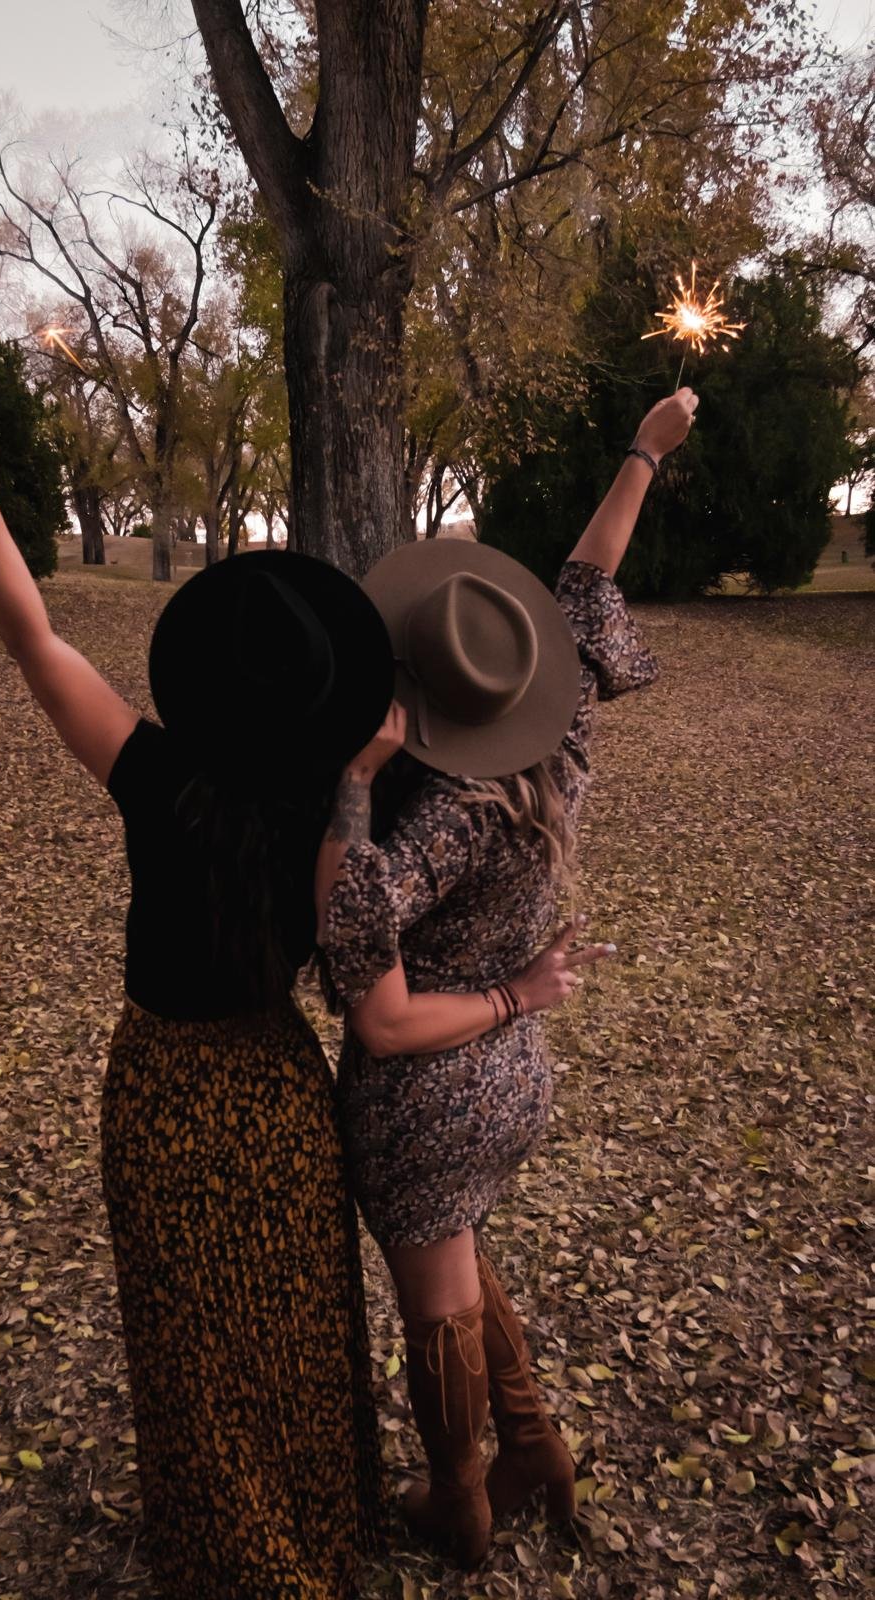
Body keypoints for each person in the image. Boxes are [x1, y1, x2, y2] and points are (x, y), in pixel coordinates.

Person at [0, 376, 396, 1600]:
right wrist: (360, 772)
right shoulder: (327, 806)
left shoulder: (154, 775)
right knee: (286, 1325)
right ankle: (312, 1528)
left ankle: (234, 1548)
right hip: (278, 1097)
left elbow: (34, 638)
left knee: (193, 1339)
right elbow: (350, 952)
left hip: (163, 1094)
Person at [314, 389, 699, 1569]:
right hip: (511, 1083)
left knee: (435, 1297)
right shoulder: (563, 741)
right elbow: (585, 579)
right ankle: (532, 1441)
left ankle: (460, 1499)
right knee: (459, 1249)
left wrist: (352, 784)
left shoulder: (442, 816)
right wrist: (644, 447)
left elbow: (359, 959)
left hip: (437, 1075)